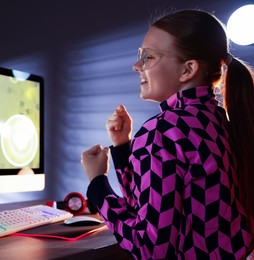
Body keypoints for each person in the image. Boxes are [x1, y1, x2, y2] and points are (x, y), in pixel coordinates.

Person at [81, 9, 254, 259]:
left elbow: (150, 249)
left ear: (188, 70)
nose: (136, 66)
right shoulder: (217, 120)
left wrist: (97, 184)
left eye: (148, 57)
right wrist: (121, 147)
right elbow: (150, 207)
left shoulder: (161, 133)